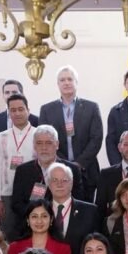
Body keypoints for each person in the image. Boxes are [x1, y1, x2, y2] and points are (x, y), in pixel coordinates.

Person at [39, 65, 103, 202]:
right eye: (62, 80)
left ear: (76, 83)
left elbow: (96, 139)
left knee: (85, 213)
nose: (66, 82)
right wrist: (64, 164)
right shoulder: (46, 110)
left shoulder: (91, 107)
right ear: (58, 84)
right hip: (56, 172)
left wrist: (79, 164)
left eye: (70, 79)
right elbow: (44, 140)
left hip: (86, 170)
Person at [9, 125, 85, 236]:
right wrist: (38, 216)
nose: (44, 148)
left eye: (49, 143)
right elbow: (16, 203)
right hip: (32, 229)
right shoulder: (23, 171)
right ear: (34, 146)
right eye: (39, 143)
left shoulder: (72, 169)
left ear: (57, 145)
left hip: (64, 227)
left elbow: (78, 200)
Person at [0, 93, 38, 238]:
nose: (17, 113)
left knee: (32, 232)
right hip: (7, 194)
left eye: (21, 109)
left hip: (32, 194)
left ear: (28, 110)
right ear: (9, 113)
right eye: (13, 110)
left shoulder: (38, 135)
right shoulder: (2, 137)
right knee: (8, 235)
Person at [46, 162, 100, 254]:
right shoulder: (40, 211)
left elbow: (97, 244)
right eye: (55, 180)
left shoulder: (90, 211)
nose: (59, 184)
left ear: (71, 183)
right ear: (48, 184)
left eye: (64, 180)